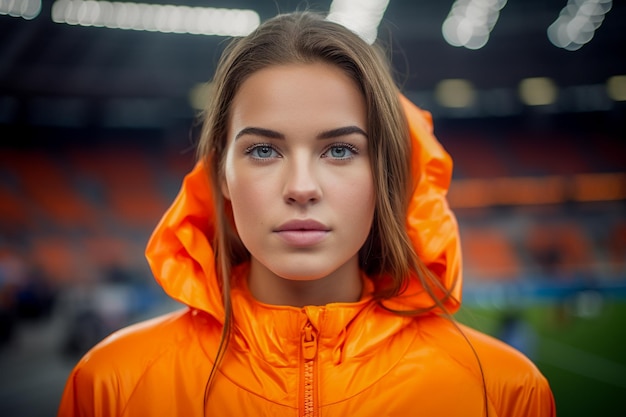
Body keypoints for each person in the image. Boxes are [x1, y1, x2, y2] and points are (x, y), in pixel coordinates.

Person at [57, 11, 555, 417]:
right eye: (263, 151)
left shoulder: (504, 392)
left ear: (383, 175)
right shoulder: (112, 386)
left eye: (339, 151)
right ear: (221, 176)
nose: (300, 188)